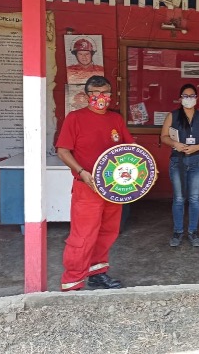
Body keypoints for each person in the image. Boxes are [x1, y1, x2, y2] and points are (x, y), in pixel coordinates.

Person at [56, 75, 134, 291]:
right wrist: (81, 172)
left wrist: (143, 173)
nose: (101, 97)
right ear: (87, 94)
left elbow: (131, 149)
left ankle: (97, 274)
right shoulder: (75, 118)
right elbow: (63, 151)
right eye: (95, 93)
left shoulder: (115, 120)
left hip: (113, 188)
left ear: (111, 94)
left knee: (107, 232)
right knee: (82, 236)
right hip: (86, 187)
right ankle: (72, 282)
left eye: (106, 93)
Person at [160, 84, 199, 248]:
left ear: (196, 99)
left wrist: (197, 147)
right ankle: (177, 231)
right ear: (180, 98)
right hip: (178, 161)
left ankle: (192, 231)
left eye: (191, 96)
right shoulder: (173, 115)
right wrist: (175, 143)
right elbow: (163, 136)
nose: (188, 99)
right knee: (178, 199)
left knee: (195, 199)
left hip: (197, 161)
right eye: (185, 96)